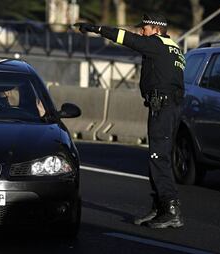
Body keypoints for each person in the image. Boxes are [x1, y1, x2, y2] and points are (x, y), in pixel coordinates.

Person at [75, 14, 185, 229]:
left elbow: (125, 38)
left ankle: (171, 210)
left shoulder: (156, 44)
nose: (140, 31)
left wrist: (96, 29)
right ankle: (160, 207)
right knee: (158, 157)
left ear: (156, 29)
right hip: (169, 107)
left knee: (158, 157)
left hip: (163, 108)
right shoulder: (174, 47)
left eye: (143, 28)